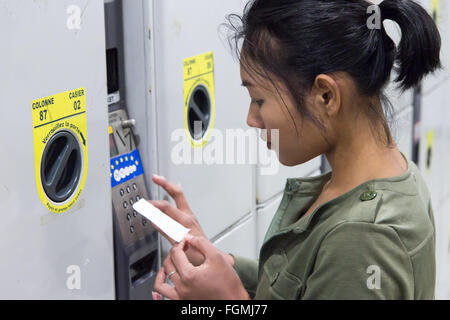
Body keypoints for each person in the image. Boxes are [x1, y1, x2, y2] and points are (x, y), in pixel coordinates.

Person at [151, 0, 441, 300]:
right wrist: (221, 265)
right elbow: (304, 284)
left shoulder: (363, 237)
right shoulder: (375, 180)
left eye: (259, 99)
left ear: (326, 95)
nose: (251, 119)